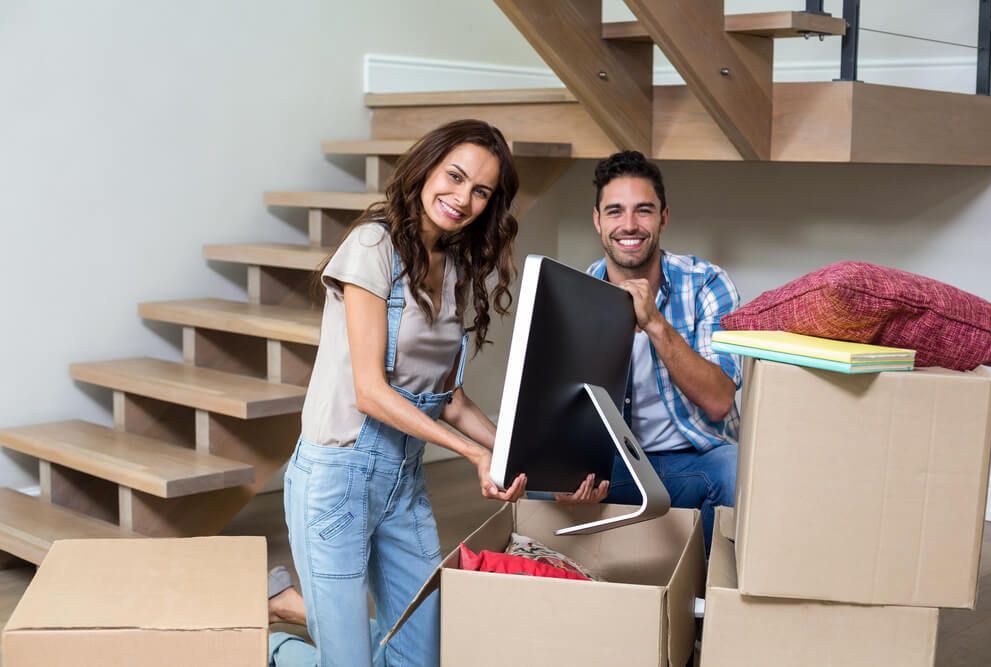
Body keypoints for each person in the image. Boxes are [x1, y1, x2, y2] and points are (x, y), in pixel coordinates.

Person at [267, 119, 528, 667]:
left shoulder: (456, 266)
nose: (462, 199)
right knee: (348, 662)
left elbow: (449, 398)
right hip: (336, 480)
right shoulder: (371, 245)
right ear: (426, 168)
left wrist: (514, 451)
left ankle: (301, 606)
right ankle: (270, 647)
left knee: (419, 655)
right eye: (454, 177)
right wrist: (473, 454)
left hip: (402, 483)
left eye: (480, 191)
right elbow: (370, 392)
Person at [557, 151, 741, 552]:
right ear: (597, 220)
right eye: (615, 212)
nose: (629, 225)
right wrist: (567, 471)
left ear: (663, 218)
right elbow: (563, 408)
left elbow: (719, 401)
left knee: (735, 471)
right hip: (618, 467)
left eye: (643, 211)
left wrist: (655, 322)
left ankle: (711, 608)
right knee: (544, 491)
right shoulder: (576, 294)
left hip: (694, 461)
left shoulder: (708, 283)